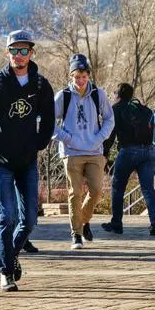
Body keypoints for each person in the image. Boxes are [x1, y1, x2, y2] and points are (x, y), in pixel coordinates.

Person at [0, 29, 55, 291]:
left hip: (28, 160)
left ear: (31, 53)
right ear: (7, 52)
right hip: (1, 161)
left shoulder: (41, 85)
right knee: (7, 216)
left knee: (29, 219)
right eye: (14, 50)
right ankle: (5, 272)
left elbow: (50, 119)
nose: (19, 55)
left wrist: (39, 143)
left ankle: (12, 254)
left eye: (24, 50)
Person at [53, 53, 114, 250]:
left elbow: (109, 119)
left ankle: (84, 220)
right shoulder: (63, 96)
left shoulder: (98, 94)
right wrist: (67, 138)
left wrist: (99, 138)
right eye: (76, 77)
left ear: (89, 75)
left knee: (96, 190)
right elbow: (49, 123)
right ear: (71, 76)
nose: (80, 80)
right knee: (75, 193)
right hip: (71, 152)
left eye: (84, 76)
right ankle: (76, 234)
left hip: (94, 150)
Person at [101, 83, 155, 236]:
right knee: (148, 188)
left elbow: (110, 135)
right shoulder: (144, 109)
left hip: (129, 150)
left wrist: (104, 155)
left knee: (118, 186)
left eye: (114, 93)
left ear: (118, 95)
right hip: (149, 151)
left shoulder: (116, 109)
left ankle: (116, 222)